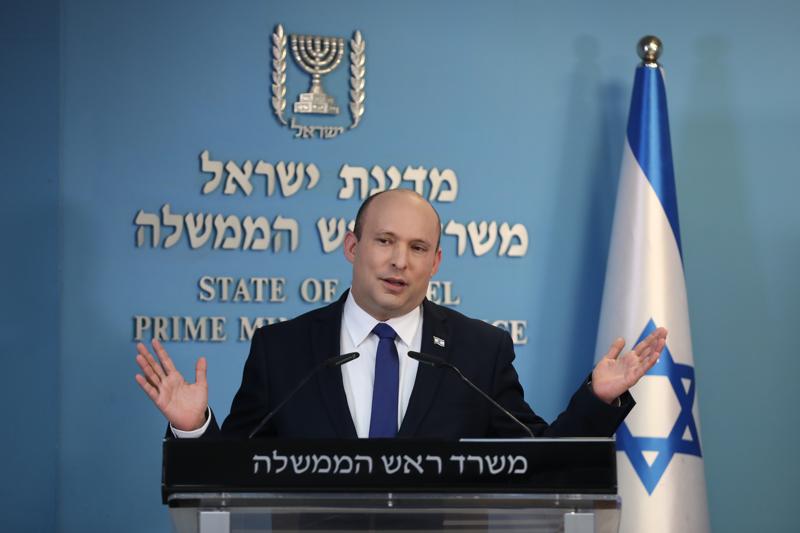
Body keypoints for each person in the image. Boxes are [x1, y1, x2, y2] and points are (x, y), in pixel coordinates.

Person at [135, 189, 666, 439]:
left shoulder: (479, 353)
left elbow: (539, 461)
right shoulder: (283, 350)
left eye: (417, 248)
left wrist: (597, 401)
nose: (398, 261)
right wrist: (194, 429)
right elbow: (236, 470)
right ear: (352, 246)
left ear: (435, 261)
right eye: (384, 241)